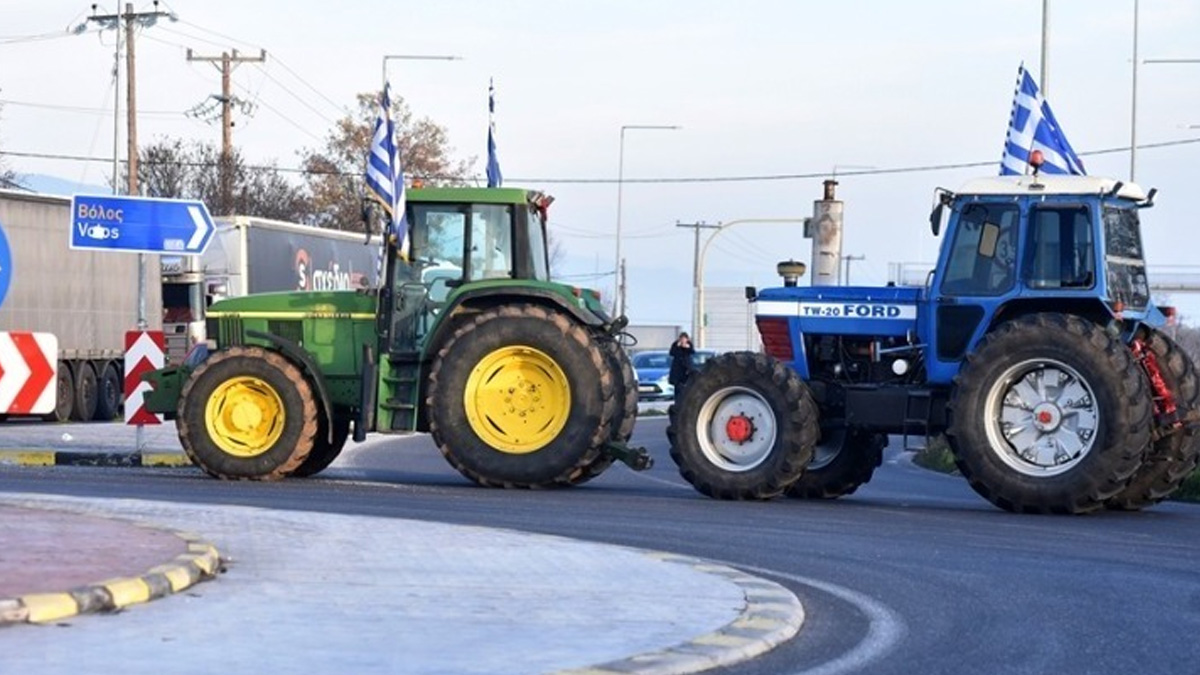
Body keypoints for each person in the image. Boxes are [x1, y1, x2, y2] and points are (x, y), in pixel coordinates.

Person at [668, 332, 696, 398]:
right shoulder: (675, 345)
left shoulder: (689, 345)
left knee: (686, 385)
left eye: (684, 339)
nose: (683, 340)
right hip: (677, 369)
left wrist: (687, 347)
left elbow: (692, 352)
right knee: (677, 387)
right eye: (681, 338)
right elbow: (672, 353)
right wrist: (678, 347)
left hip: (686, 368)